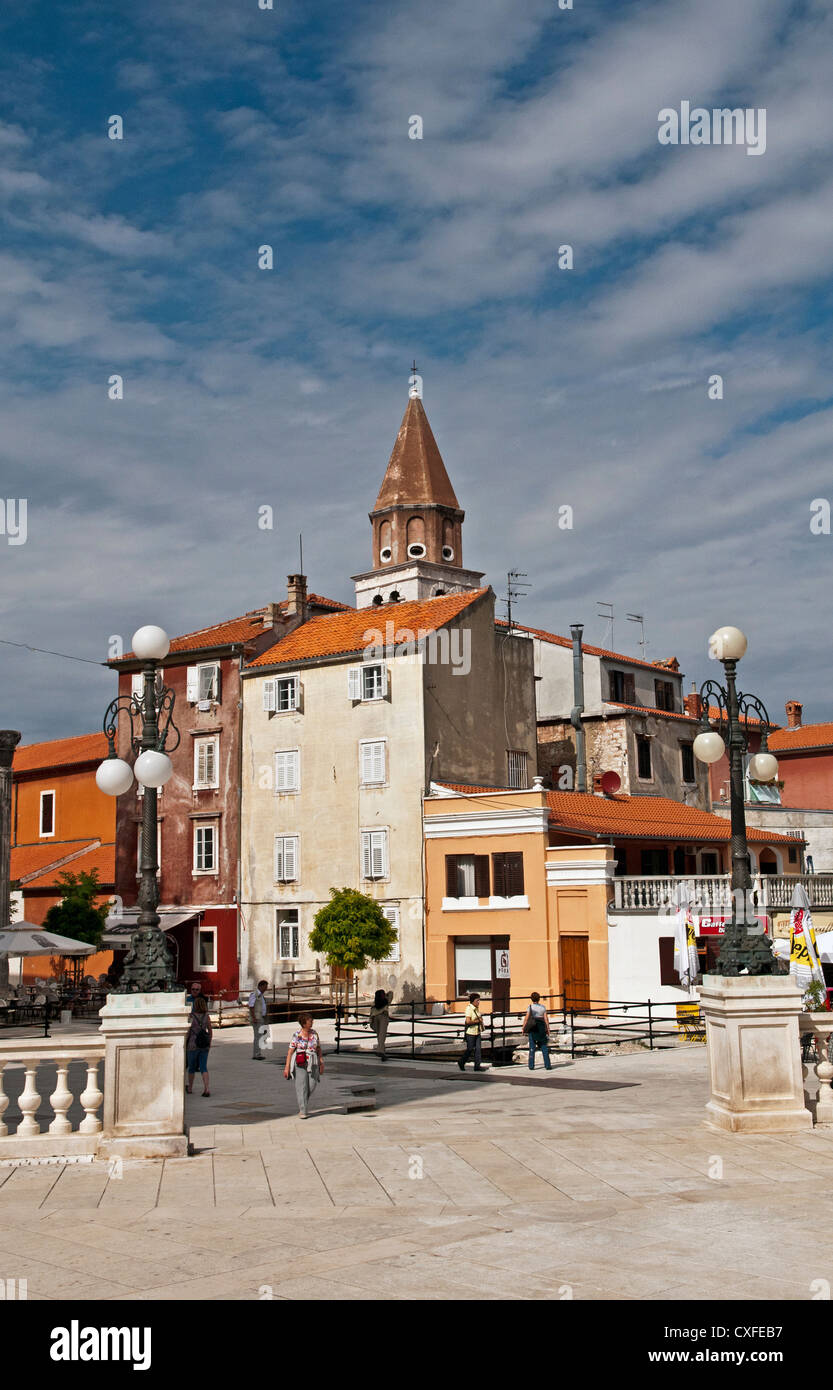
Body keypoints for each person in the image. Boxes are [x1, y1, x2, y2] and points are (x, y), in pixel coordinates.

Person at [283, 1013, 324, 1118]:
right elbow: (290, 1051)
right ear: (304, 1023)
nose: (312, 1022)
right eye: (310, 1021)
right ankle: (303, 1110)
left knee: (312, 1084)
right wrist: (287, 1067)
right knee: (302, 1086)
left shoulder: (315, 1033)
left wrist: (321, 1061)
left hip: (313, 1061)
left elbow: (318, 1048)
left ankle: (303, 1102)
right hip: (300, 1062)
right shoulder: (297, 1035)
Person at [186, 994, 213, 1096]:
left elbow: (188, 1031)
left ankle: (190, 1088)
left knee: (192, 1068)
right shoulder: (207, 1016)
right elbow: (210, 1030)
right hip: (204, 1045)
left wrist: (185, 1042)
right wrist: (209, 1042)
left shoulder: (191, 1016)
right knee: (203, 1067)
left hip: (193, 1044)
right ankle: (206, 1088)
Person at [523, 991, 552, 1071]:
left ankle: (531, 1065)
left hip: (533, 1028)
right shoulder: (543, 1007)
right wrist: (548, 1029)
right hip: (541, 1028)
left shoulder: (530, 1007)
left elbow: (526, 1018)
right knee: (544, 1046)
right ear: (539, 999)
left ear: (531, 999)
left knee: (532, 1047)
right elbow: (546, 1019)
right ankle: (547, 1065)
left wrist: (523, 1028)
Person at [458, 992, 486, 1071]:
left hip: (477, 1031)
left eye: (479, 1000)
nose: (479, 1002)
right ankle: (461, 1061)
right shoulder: (469, 1009)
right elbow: (468, 1021)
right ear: (473, 1001)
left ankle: (477, 1066)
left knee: (478, 1049)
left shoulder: (476, 1008)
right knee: (470, 1049)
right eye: (477, 1000)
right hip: (470, 1033)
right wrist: (478, 1021)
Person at [368, 988, 393, 1060]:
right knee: (382, 1035)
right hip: (383, 1016)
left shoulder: (374, 1003)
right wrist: (386, 995)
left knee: (379, 1035)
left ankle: (382, 1051)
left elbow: (371, 1012)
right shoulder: (386, 1001)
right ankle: (380, 1051)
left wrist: (370, 1021)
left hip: (375, 1018)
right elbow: (391, 993)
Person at [248, 979, 269, 1060]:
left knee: (263, 1035)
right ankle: (256, 1054)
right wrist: (254, 1017)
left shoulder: (261, 995)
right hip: (257, 1018)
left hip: (261, 1017)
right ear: (261, 986)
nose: (266, 989)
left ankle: (258, 1052)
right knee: (258, 1036)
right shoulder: (255, 994)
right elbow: (251, 1006)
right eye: (265, 987)